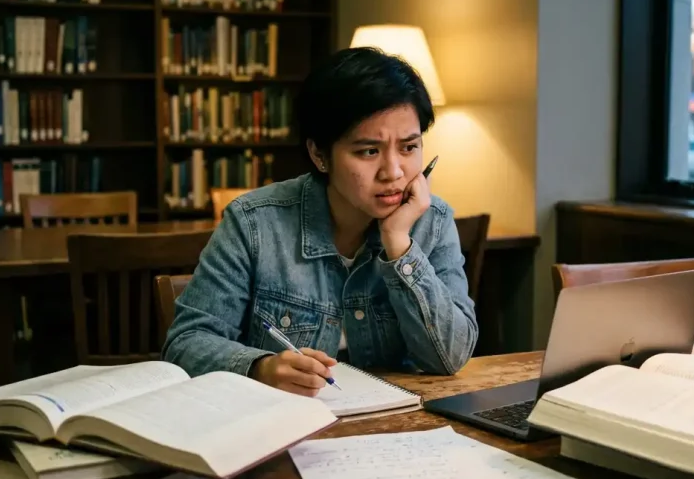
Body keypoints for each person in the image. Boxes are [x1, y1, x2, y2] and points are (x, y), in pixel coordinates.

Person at [162, 46, 478, 397]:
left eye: (409, 148)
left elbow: (450, 358)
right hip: (283, 427)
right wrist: (260, 367)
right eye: (369, 151)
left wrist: (399, 243)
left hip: (395, 429)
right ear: (319, 154)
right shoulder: (254, 223)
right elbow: (185, 345)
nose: (393, 172)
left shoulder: (431, 221)